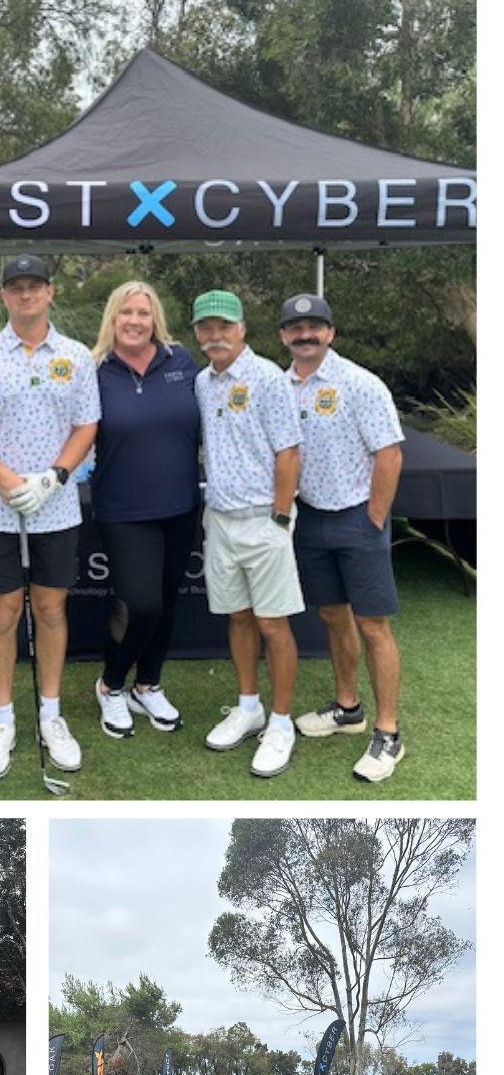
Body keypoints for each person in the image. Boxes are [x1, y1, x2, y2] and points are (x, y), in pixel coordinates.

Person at [0, 254, 101, 781]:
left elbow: (87, 426)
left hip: (54, 505)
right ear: (4, 296)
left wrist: (54, 477)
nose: (26, 294)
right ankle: (2, 719)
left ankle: (51, 715)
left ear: (50, 293)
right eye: (16, 287)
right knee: (3, 612)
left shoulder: (76, 357)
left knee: (52, 609)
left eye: (35, 286)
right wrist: (5, 478)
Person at [278, 294, 409, 782]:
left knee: (373, 625)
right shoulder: (280, 385)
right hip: (310, 518)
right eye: (296, 327)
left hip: (358, 518)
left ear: (330, 333)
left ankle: (388, 732)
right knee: (333, 617)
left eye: (315, 326)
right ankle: (348, 707)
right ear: (283, 336)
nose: (305, 334)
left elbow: (389, 454)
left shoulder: (359, 383)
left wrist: (374, 518)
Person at [191, 289, 303, 777]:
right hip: (220, 519)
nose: (215, 336)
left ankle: (281, 722)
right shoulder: (201, 381)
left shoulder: (268, 379)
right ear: (197, 332)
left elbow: (289, 452)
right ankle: (249, 706)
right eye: (206, 327)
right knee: (238, 618)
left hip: (264, 520)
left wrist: (280, 517)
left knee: (273, 624)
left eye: (224, 327)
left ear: (242, 329)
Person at [87, 281, 202, 738]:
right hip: (122, 507)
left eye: (144, 312)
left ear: (156, 319)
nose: (135, 321)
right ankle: (111, 685)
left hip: (180, 504)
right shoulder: (93, 369)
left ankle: (148, 684)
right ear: (112, 319)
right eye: (126, 312)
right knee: (142, 603)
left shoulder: (183, 362)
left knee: (168, 601)